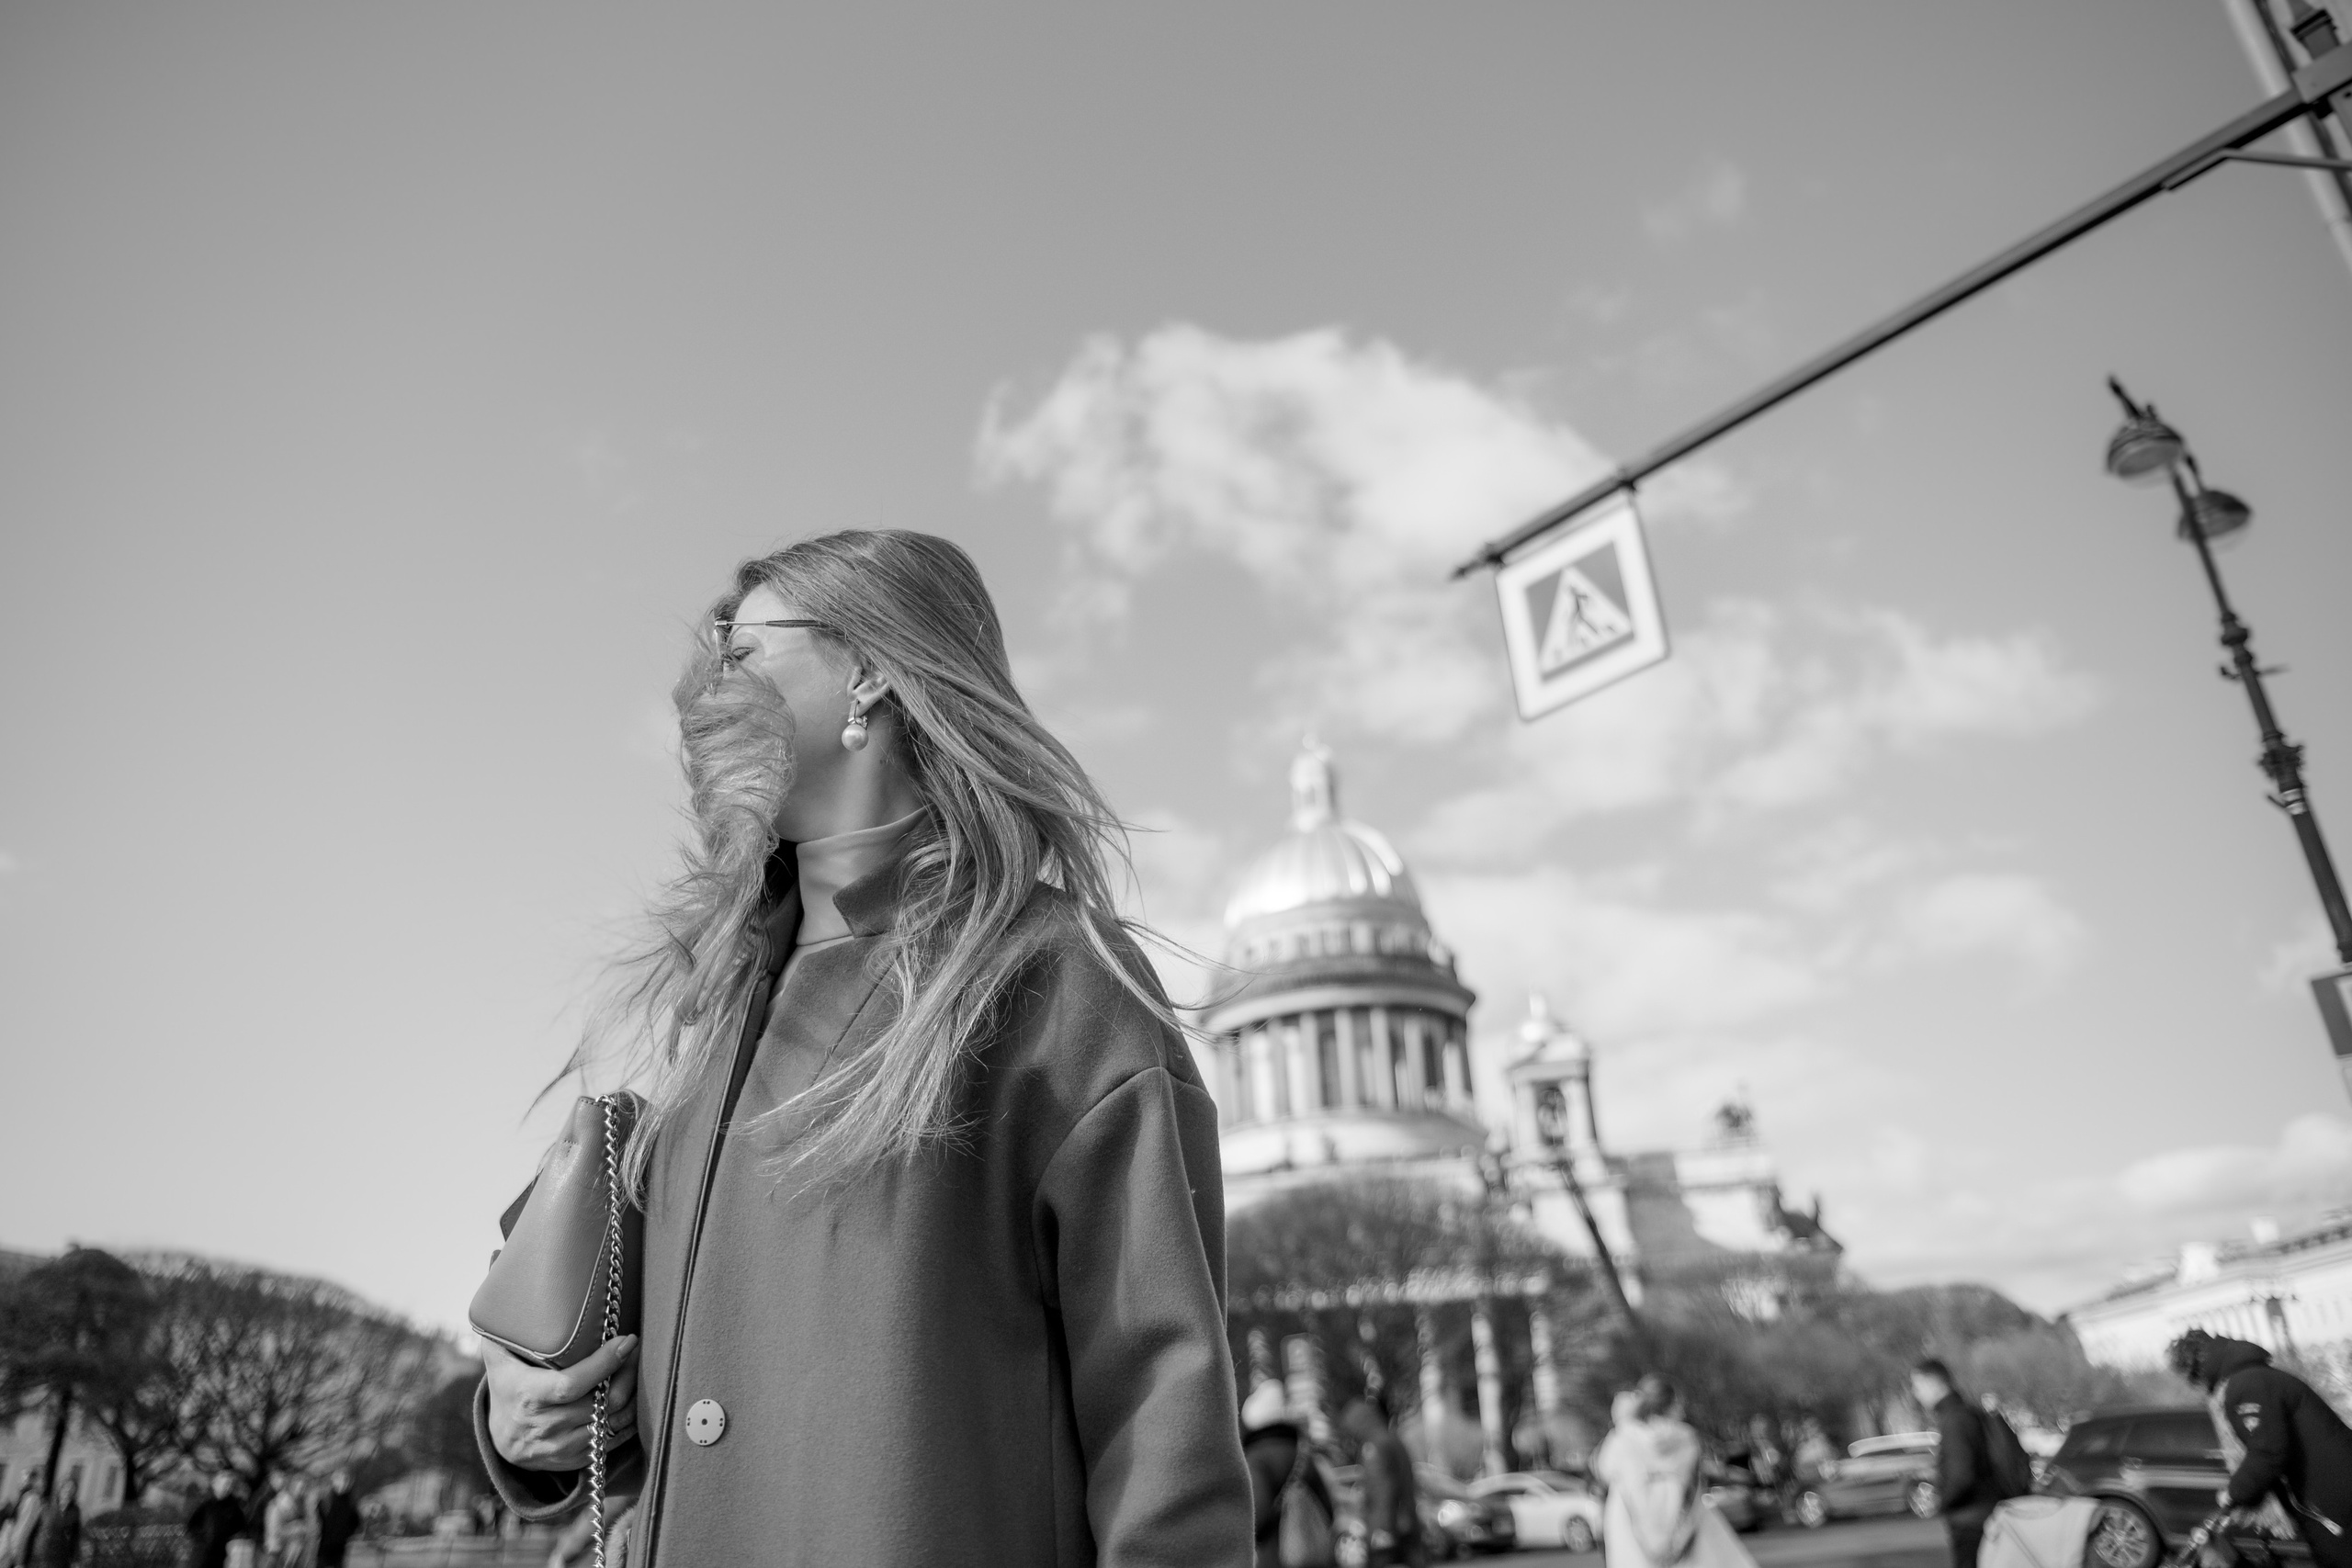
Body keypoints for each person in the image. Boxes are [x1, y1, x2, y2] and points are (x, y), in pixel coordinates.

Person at [475, 531, 1252, 1566]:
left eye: (741, 654)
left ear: (872, 674)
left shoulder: (1057, 981)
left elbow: (1165, 1426)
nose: (703, 690)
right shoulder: (715, 1018)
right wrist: (526, 1421)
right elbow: (679, 1412)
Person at [2166, 1330, 2352, 1568]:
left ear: (2196, 1366)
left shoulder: (2246, 1385)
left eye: (2190, 1377)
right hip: (2328, 1495)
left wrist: (2234, 1493)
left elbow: (2267, 1451)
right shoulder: (2256, 1377)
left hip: (2334, 1497)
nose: (2195, 1385)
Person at [1592, 1376, 1757, 1568]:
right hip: (1685, 1523)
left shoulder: (1620, 1440)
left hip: (1630, 1524)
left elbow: (1603, 1471)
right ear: (1670, 1404)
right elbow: (1696, 1477)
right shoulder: (1685, 1437)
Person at [1910, 1359, 2025, 1568]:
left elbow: (1961, 1475)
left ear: (1934, 1384)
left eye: (1917, 1387)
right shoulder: (1968, 1412)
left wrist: (1941, 1502)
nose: (1916, 1394)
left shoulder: (1954, 1420)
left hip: (1971, 1522)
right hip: (1987, 1514)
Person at [1241, 1380, 1335, 1568]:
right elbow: (1329, 1509)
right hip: (1316, 1558)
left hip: (1276, 1559)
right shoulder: (1305, 1455)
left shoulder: (1256, 1460)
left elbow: (1256, 1519)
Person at [1339, 1396, 1421, 1568]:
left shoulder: (1373, 1446)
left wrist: (1381, 1529)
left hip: (1388, 1527)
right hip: (1407, 1520)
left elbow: (1382, 1489)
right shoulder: (1392, 1439)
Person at [187, 1474, 247, 1568]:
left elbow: (241, 1527)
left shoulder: (233, 1507)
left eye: (230, 1485)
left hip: (220, 1553)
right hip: (202, 1554)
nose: (227, 1488)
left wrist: (228, 1537)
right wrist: (203, 1539)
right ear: (215, 1485)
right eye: (225, 1484)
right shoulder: (205, 1504)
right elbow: (191, 1525)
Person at [21, 1476, 79, 1568]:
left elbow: (75, 1538)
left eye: (72, 1489)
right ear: (60, 1488)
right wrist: (24, 1559)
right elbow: (33, 1531)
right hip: (40, 1554)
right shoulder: (46, 1506)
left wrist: (74, 1560)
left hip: (59, 1557)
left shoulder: (75, 1512)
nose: (68, 1491)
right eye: (66, 1488)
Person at [312, 1472, 360, 1568]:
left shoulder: (350, 1502)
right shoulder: (325, 1500)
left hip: (340, 1548)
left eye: (345, 1481)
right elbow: (317, 1520)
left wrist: (346, 1535)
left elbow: (356, 1522)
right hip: (323, 1548)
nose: (342, 1484)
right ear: (333, 1483)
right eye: (339, 1480)